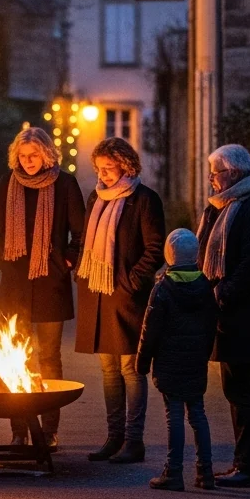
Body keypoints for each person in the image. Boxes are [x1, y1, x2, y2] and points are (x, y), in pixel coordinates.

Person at [0, 126, 84, 449]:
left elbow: (80, 232)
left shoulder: (65, 184)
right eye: (23, 156)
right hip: (15, 284)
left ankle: (49, 430)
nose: (28, 161)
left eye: (34, 155)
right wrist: (4, 262)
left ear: (47, 155)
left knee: (50, 357)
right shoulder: (8, 182)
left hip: (50, 283)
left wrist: (65, 261)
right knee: (16, 357)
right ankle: (20, 430)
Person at [75, 137, 165, 464]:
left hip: (127, 298)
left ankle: (133, 440)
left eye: (109, 168)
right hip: (99, 295)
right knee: (108, 368)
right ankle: (113, 438)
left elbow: (155, 249)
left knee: (131, 368)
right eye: (99, 168)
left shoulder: (144, 199)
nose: (103, 174)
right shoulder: (95, 197)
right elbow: (86, 240)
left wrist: (130, 281)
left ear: (126, 166)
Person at [197, 144, 250, 489]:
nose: (211, 179)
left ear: (232, 173)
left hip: (244, 316)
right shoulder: (222, 207)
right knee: (236, 390)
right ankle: (244, 461)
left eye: (215, 173)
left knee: (245, 392)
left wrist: (222, 293)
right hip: (227, 316)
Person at [136, 229, 218, 492]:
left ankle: (173, 472)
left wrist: (142, 362)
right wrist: (204, 354)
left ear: (169, 255)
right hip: (195, 362)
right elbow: (211, 325)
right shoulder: (205, 287)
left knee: (174, 416)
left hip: (169, 363)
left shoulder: (162, 289)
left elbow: (149, 330)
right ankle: (206, 472)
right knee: (198, 414)